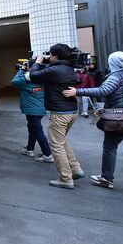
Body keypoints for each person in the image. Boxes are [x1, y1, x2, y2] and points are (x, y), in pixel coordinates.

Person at [63, 51, 123, 195]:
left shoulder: (116, 76)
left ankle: (106, 178)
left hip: (119, 121)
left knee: (110, 148)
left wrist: (77, 92)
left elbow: (103, 91)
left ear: (114, 63)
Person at [25, 44, 84, 190]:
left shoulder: (54, 70)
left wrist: (37, 63)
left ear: (56, 56)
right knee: (61, 141)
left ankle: (65, 178)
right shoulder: (69, 68)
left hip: (59, 113)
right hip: (71, 112)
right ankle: (75, 169)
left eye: (50, 55)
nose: (49, 57)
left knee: (56, 145)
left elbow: (29, 76)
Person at [10, 67, 53, 163]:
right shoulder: (43, 80)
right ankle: (29, 149)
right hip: (41, 110)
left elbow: (14, 82)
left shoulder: (25, 82)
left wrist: (21, 70)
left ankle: (47, 154)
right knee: (32, 128)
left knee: (37, 131)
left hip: (31, 111)